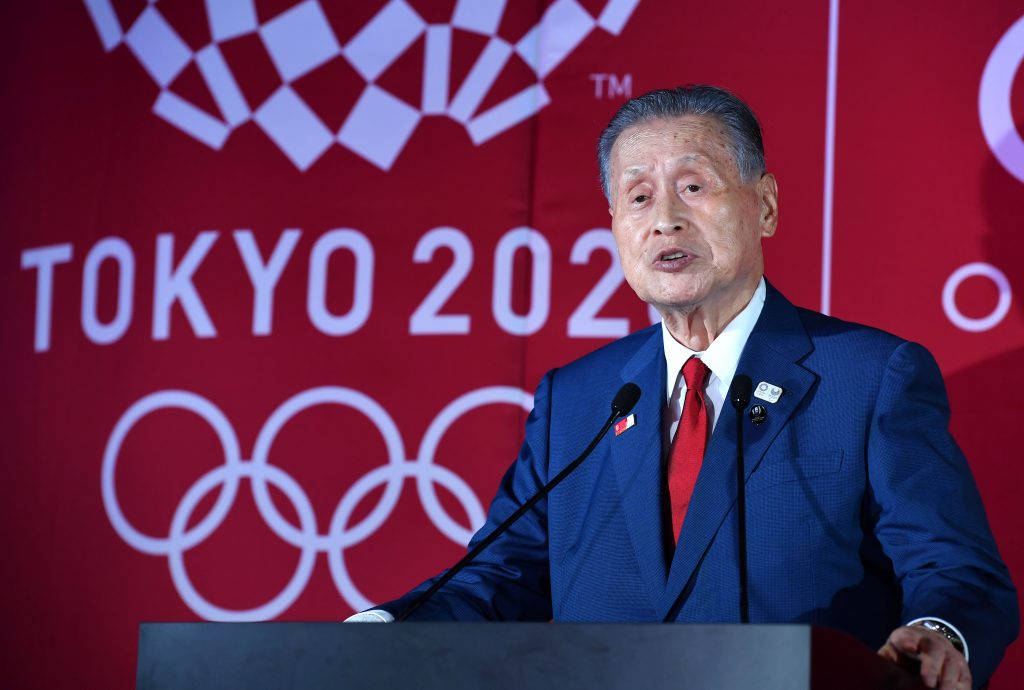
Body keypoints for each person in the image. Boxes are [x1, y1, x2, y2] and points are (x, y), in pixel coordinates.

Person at [350, 86, 1018, 690]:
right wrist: (382, 632)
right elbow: (501, 577)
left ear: (765, 206)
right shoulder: (576, 400)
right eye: (638, 197)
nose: (664, 218)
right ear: (615, 227)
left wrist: (939, 633)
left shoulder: (870, 378)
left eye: (694, 187)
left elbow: (957, 574)